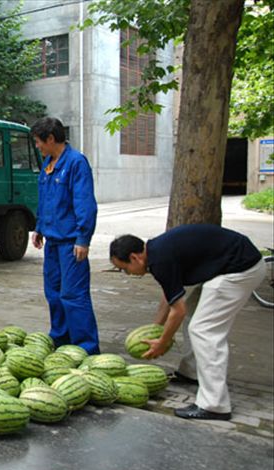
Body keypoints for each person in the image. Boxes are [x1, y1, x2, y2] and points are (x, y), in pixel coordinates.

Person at [109, 225, 265, 421]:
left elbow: (177, 311)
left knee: (204, 330)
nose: (128, 274)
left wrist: (163, 341)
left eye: (125, 269)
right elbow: (170, 296)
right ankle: (191, 372)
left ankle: (214, 405)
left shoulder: (160, 259)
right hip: (233, 265)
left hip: (241, 270)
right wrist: (154, 330)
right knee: (194, 315)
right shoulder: (157, 252)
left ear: (135, 257)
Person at [30, 117, 100, 355]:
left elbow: (85, 203)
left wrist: (83, 238)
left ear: (50, 139)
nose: (37, 146)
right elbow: (45, 199)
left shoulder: (76, 163)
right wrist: (39, 228)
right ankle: (60, 340)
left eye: (39, 142)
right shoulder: (48, 163)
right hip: (52, 241)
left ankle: (86, 348)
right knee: (54, 294)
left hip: (71, 243)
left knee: (74, 295)